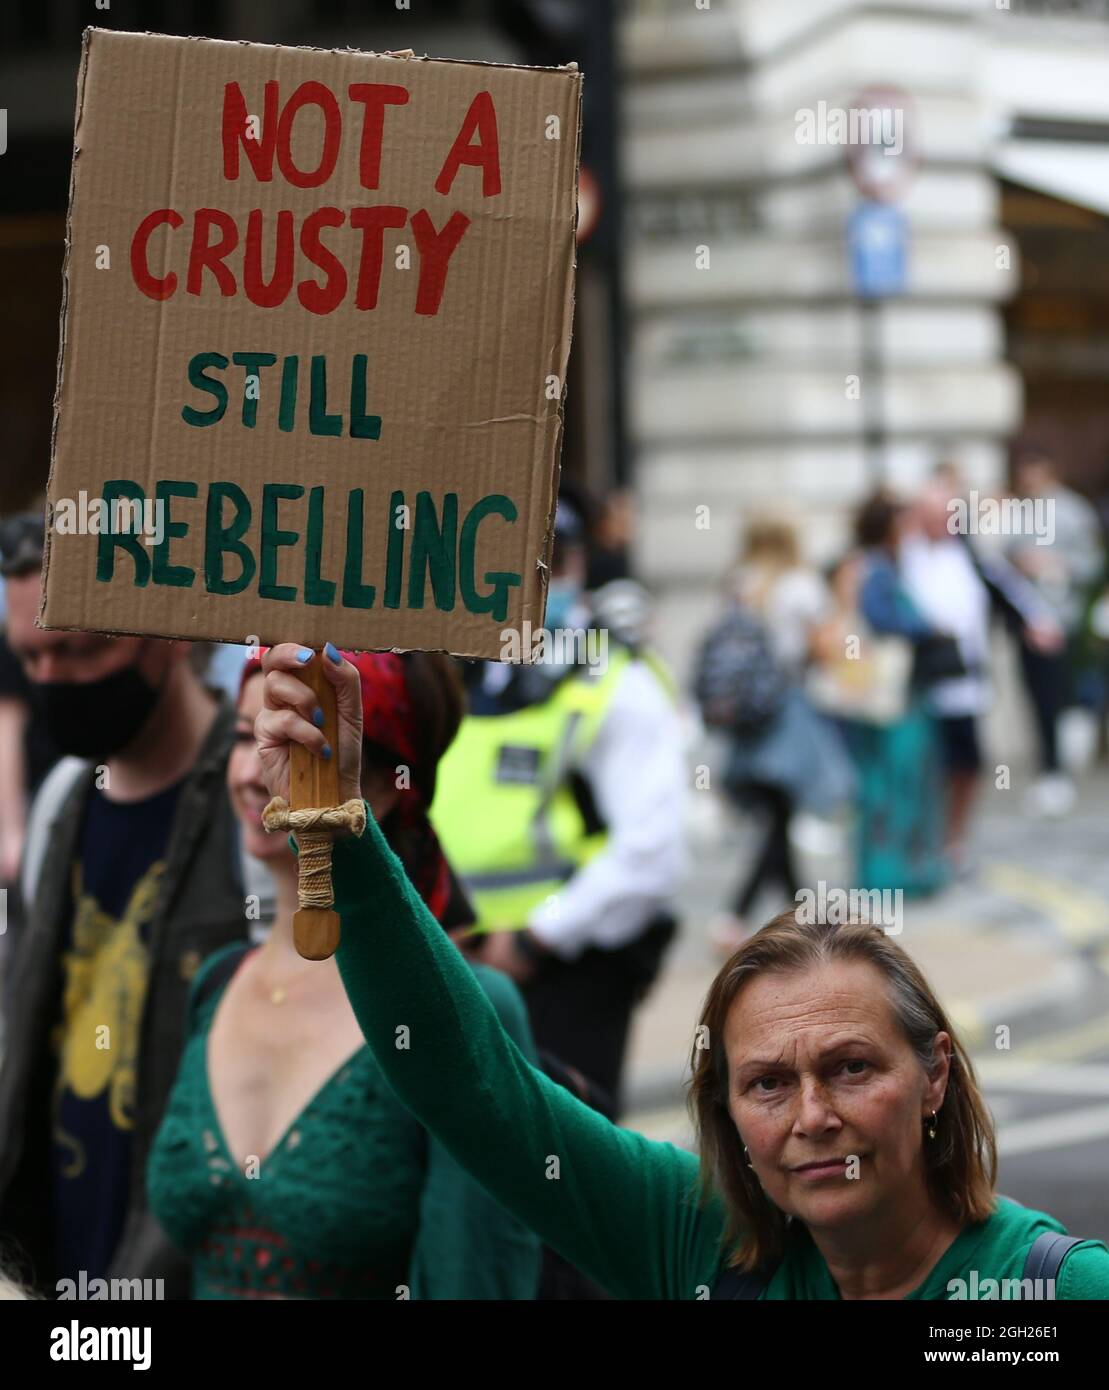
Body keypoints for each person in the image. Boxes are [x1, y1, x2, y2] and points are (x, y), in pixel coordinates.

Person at [248, 643, 1109, 1300]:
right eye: (766, 1085)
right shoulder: (696, 1244)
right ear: (724, 1113)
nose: (812, 1117)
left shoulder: (1047, 1289)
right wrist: (339, 825)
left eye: (850, 1068)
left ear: (932, 1076)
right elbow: (472, 1089)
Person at [146, 647, 541, 1299]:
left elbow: (475, 1277)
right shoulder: (215, 985)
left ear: (386, 786)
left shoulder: (463, 1007)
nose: (254, 771)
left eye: (299, 742)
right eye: (246, 736)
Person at [0, 516, 248, 1297]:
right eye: (30, 657)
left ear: (168, 631)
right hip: (67, 1264)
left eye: (79, 650)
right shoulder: (61, 807)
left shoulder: (255, 813)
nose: (52, 678)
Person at [432, 494, 687, 1115]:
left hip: (566, 974)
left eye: (548, 564)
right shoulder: (454, 673)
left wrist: (532, 940)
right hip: (456, 960)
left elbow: (653, 852)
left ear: (575, 570)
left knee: (567, 1166)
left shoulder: (611, 682)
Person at [707, 518, 843, 952]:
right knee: (778, 814)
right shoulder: (799, 586)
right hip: (786, 711)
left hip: (749, 718)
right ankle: (735, 916)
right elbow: (823, 647)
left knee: (776, 813)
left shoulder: (741, 582)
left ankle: (799, 913)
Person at [1006, 451, 1105, 816]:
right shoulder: (1018, 511)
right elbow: (1002, 558)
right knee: (1035, 696)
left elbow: (1092, 562)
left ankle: (1059, 770)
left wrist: (1055, 563)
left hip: (1060, 617)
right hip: (1026, 618)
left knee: (1058, 692)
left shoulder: (1072, 511)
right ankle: (1048, 768)